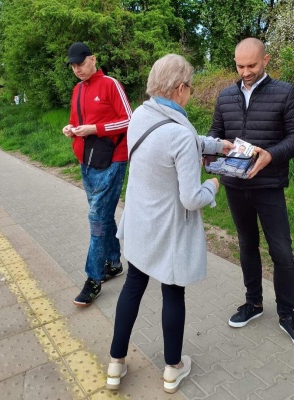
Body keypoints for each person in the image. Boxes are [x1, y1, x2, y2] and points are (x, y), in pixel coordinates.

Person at [105, 54, 235, 393]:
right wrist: (214, 184)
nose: (190, 92)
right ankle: (172, 368)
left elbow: (179, 141)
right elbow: (191, 198)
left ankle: (115, 364)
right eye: (190, 87)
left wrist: (215, 144)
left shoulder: (141, 115)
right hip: (169, 229)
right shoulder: (177, 132)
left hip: (139, 222)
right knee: (173, 292)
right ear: (180, 89)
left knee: (133, 286)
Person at [208, 38, 294, 350]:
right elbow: (216, 132)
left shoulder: (286, 92)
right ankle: (253, 304)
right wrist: (210, 150)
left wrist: (271, 155)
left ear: (265, 59)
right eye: (240, 66)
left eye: (252, 65)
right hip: (235, 186)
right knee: (247, 246)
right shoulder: (226, 95)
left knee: (281, 252)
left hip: (269, 186)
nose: (246, 72)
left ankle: (287, 315)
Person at [62, 42, 132, 306]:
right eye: (73, 65)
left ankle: (93, 279)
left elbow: (129, 119)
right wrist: (71, 129)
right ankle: (113, 262)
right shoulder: (77, 89)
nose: (77, 69)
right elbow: (77, 121)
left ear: (93, 59)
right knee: (102, 214)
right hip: (87, 160)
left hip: (113, 158)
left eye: (81, 63)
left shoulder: (110, 84)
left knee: (97, 217)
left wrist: (96, 128)